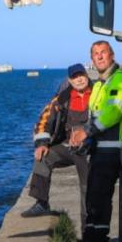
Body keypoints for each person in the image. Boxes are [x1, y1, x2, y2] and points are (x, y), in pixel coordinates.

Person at [71, 40, 122, 242]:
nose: (99, 56)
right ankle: (92, 235)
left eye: (103, 52)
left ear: (112, 56)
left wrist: (86, 132)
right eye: (95, 53)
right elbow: (95, 115)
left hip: (115, 150)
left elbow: (113, 112)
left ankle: (96, 238)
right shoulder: (100, 84)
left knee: (98, 199)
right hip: (101, 150)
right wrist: (86, 142)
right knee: (94, 198)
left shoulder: (119, 80)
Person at [21, 63, 92, 227]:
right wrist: (41, 143)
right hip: (68, 146)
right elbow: (43, 121)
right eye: (75, 77)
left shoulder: (98, 93)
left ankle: (88, 231)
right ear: (70, 80)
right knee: (43, 157)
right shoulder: (61, 98)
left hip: (89, 148)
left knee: (87, 190)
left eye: (81, 75)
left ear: (87, 76)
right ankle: (42, 203)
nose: (79, 79)